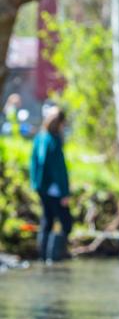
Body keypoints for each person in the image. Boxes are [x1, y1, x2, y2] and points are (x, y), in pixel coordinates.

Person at [29, 106, 73, 262]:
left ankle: (44, 257)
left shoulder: (40, 137)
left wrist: (36, 184)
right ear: (60, 123)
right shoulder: (53, 141)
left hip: (42, 187)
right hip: (54, 189)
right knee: (66, 223)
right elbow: (58, 170)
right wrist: (64, 192)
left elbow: (34, 162)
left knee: (47, 221)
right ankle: (54, 257)